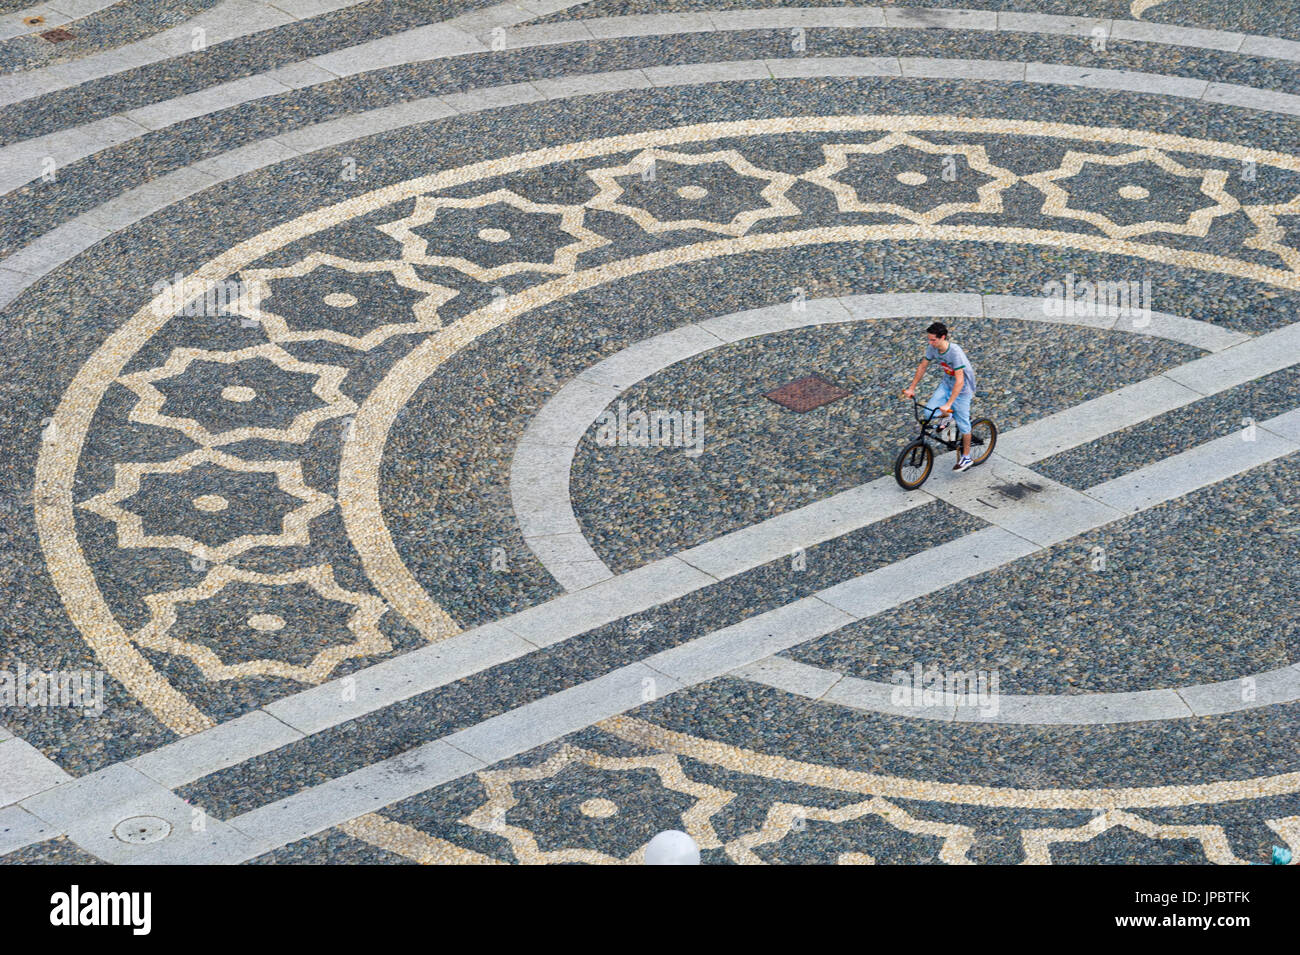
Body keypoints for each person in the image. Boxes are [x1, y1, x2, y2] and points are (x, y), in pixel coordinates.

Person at [900, 321, 977, 472]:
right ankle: (948, 419)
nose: (930, 343)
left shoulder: (954, 352)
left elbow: (960, 381)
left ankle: (966, 457)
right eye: (929, 339)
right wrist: (911, 388)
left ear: (943, 337)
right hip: (947, 384)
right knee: (929, 412)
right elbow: (923, 366)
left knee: (963, 424)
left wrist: (949, 404)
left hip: (962, 389)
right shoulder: (932, 347)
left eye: (933, 340)